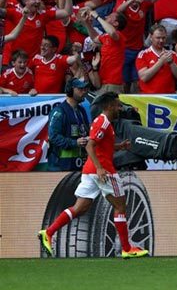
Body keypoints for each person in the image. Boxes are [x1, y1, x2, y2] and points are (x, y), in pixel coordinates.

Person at [39, 93, 149, 259]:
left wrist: (120, 147)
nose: (120, 108)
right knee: (120, 206)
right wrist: (99, 168)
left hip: (90, 171)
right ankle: (127, 249)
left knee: (80, 207)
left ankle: (48, 232)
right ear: (110, 106)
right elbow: (90, 146)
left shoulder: (104, 122)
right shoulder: (103, 122)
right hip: (103, 171)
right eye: (118, 105)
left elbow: (101, 147)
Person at [46, 78, 92, 172]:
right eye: (80, 89)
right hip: (60, 165)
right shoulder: (59, 112)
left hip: (78, 164)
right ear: (70, 90)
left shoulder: (81, 110)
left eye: (85, 89)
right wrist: (75, 143)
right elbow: (53, 137)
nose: (84, 92)